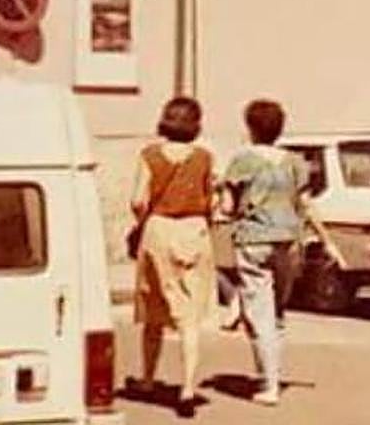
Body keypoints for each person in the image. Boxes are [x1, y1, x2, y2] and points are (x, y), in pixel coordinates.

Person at [126, 96, 215, 419]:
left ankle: (148, 379)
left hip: (160, 229)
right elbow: (212, 200)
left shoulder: (149, 155)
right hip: (195, 230)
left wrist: (141, 223)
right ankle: (188, 389)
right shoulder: (204, 157)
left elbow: (138, 200)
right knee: (189, 317)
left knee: (154, 307)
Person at [218, 98, 310, 408]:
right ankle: (273, 372)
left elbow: (227, 206)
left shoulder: (242, 161)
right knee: (278, 311)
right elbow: (304, 203)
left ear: (250, 128)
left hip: (253, 239)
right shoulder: (294, 162)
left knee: (259, 313)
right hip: (288, 239)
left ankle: (269, 384)